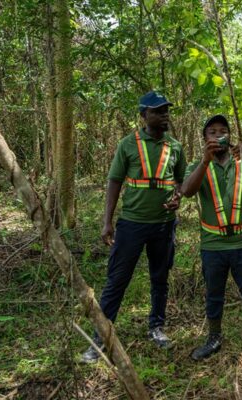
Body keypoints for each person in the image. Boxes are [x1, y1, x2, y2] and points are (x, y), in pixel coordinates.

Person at [81, 91, 186, 363]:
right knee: (117, 280)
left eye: (166, 110)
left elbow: (182, 181)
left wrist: (178, 197)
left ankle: (157, 327)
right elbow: (114, 181)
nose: (165, 115)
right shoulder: (128, 144)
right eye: (158, 111)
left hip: (163, 226)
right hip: (132, 225)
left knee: (160, 278)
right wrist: (107, 222)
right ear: (144, 115)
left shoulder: (174, 146)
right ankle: (100, 338)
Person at [180, 115, 242, 365]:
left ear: (230, 137)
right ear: (205, 139)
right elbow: (187, 191)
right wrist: (204, 162)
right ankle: (214, 337)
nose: (218, 135)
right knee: (214, 294)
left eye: (223, 131)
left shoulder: (241, 163)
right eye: (212, 132)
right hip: (212, 245)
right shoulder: (198, 165)